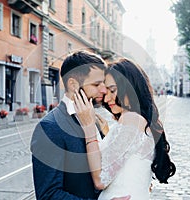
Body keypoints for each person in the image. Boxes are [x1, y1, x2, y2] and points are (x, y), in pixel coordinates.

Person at [30, 50, 130, 200]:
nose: (103, 90)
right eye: (96, 84)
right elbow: (48, 195)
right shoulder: (50, 127)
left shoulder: (95, 118)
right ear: (73, 84)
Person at [73, 58, 176, 200]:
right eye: (105, 93)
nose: (107, 98)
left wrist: (89, 128)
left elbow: (100, 180)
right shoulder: (140, 120)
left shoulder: (131, 120)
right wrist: (108, 133)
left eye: (113, 90)